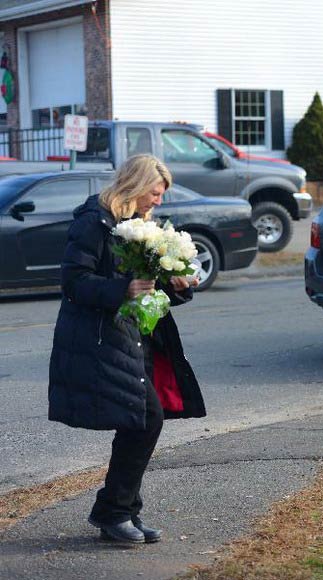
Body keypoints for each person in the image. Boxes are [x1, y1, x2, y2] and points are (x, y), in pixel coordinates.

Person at [48, 154, 206, 544]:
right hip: (102, 339)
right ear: (135, 186)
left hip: (136, 337)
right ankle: (114, 512)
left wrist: (177, 285)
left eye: (161, 195)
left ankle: (121, 512)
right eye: (154, 193)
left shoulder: (140, 226)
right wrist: (121, 289)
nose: (158, 201)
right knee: (146, 419)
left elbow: (148, 284)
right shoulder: (94, 222)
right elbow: (73, 282)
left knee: (141, 421)